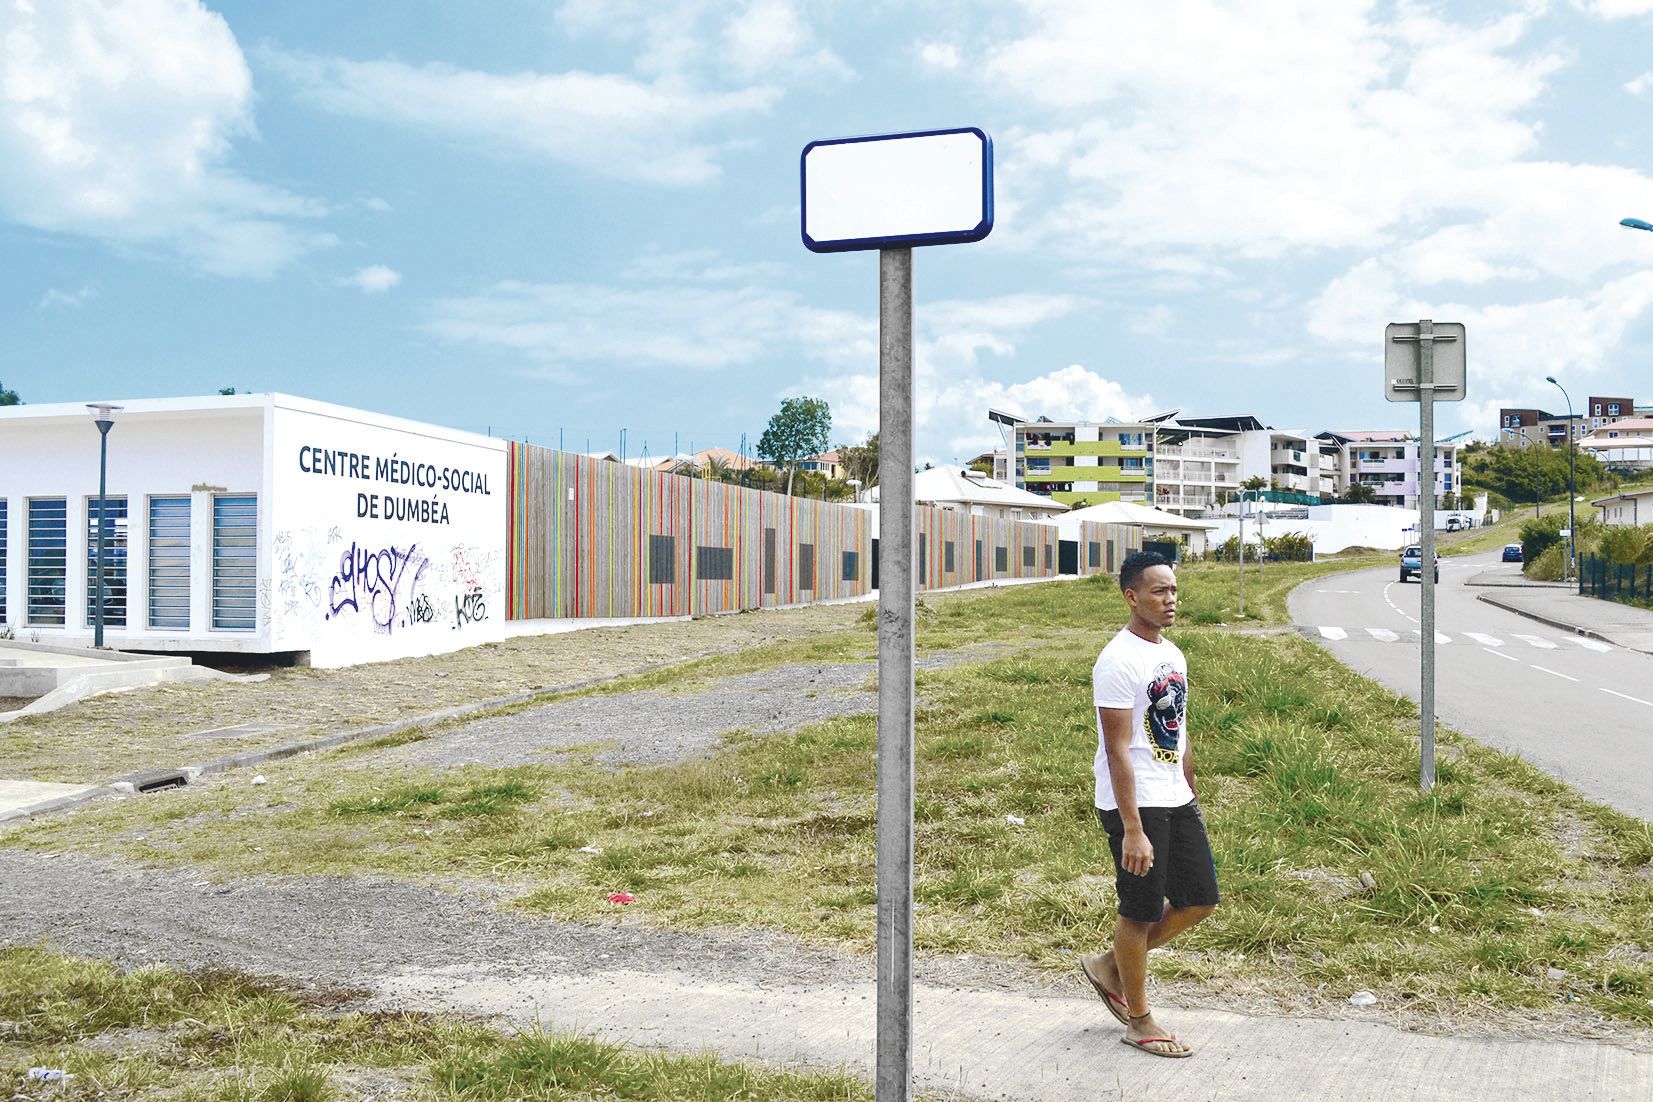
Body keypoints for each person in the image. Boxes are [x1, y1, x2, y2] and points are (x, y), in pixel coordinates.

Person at [1079, 549, 1219, 1058]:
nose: (1170, 599)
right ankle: (1139, 1020)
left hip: (1173, 796)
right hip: (1133, 804)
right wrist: (1133, 828)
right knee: (1138, 912)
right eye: (1159, 591)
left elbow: (1177, 727)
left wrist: (1189, 781)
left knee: (1200, 898)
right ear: (1131, 596)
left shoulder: (1172, 653)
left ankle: (1111, 965)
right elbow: (1117, 748)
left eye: (1174, 590)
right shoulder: (1117, 660)